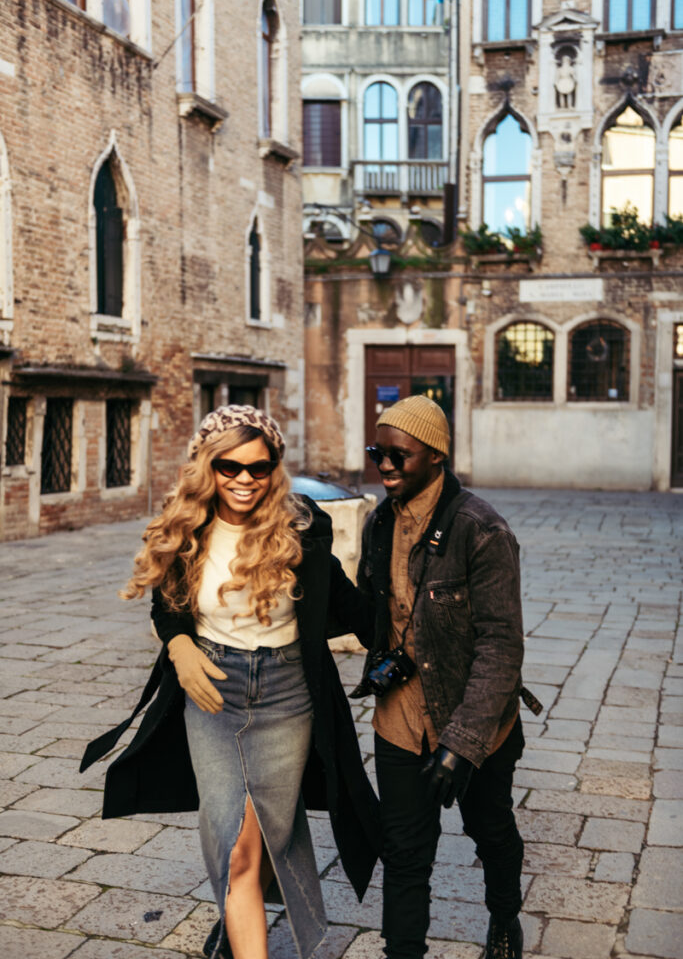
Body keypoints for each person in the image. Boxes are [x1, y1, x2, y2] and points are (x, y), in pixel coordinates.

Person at [81, 405, 379, 959]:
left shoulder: (302, 526)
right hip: (212, 692)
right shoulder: (187, 524)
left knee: (269, 832)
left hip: (288, 696)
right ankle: (244, 930)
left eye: (259, 467)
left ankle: (238, 928)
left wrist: (415, 616)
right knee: (234, 842)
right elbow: (167, 605)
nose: (244, 479)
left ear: (275, 469)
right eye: (229, 466)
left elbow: (349, 605)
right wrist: (179, 646)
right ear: (207, 466)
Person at [352, 395, 538, 959]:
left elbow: (502, 648)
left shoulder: (482, 530)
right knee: (405, 852)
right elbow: (367, 619)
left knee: (491, 832)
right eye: (376, 453)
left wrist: (463, 743)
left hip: (477, 722)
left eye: (397, 455)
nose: (384, 465)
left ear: (435, 457)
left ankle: (505, 920)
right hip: (402, 720)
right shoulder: (378, 522)